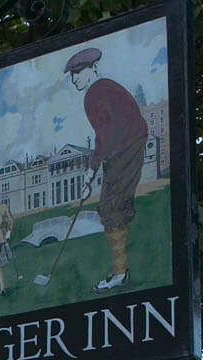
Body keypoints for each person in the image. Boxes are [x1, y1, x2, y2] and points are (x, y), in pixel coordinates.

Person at [65, 46, 149, 292]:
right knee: (111, 208)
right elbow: (104, 135)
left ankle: (119, 273)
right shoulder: (106, 88)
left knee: (112, 209)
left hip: (125, 149)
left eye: (78, 73)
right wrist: (92, 171)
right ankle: (119, 271)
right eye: (72, 75)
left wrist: (91, 171)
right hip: (126, 148)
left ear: (93, 69)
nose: (74, 79)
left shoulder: (95, 94)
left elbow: (105, 135)